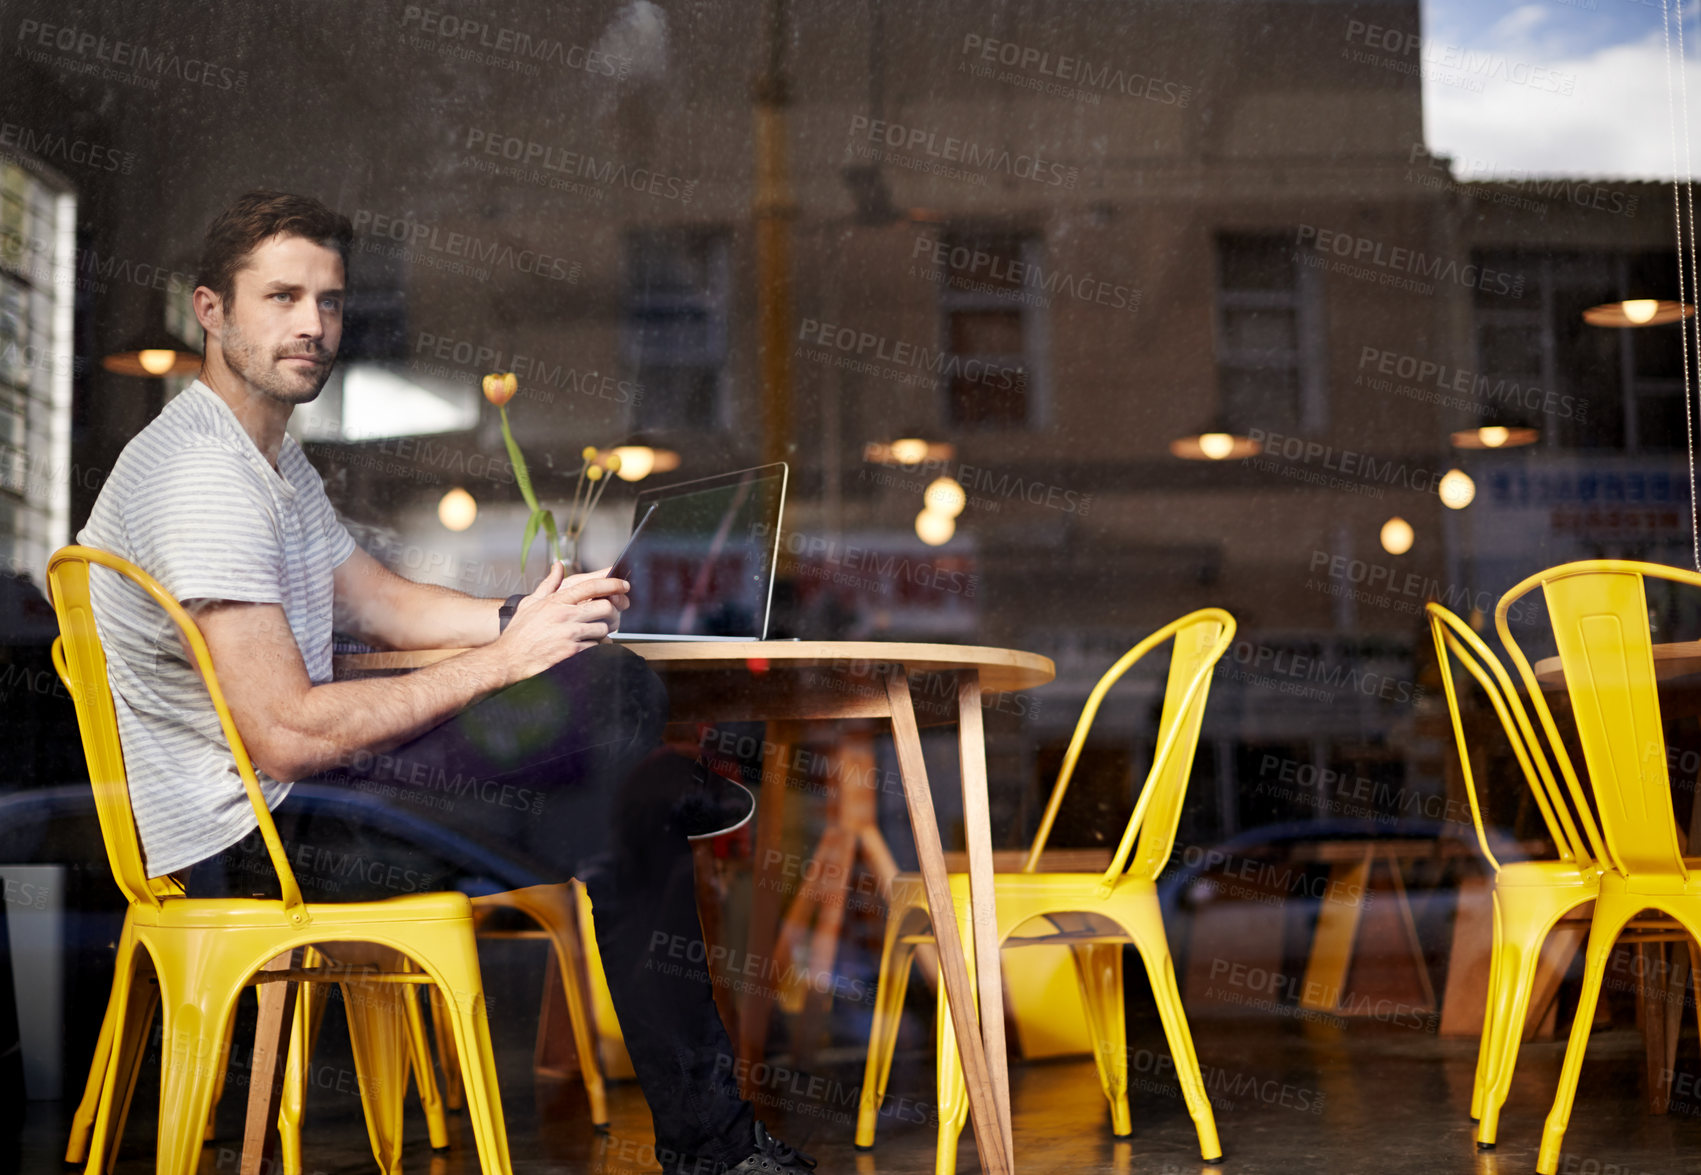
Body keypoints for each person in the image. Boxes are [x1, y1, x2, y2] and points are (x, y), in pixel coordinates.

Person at [77, 190, 816, 1175]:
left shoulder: (268, 458)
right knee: (619, 704)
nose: (313, 325)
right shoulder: (202, 476)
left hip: (295, 806)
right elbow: (286, 733)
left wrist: (521, 615)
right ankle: (714, 1139)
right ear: (210, 309)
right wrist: (509, 662)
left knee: (622, 785)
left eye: (331, 301)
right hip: (264, 836)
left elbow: (377, 599)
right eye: (283, 296)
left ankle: (711, 1129)